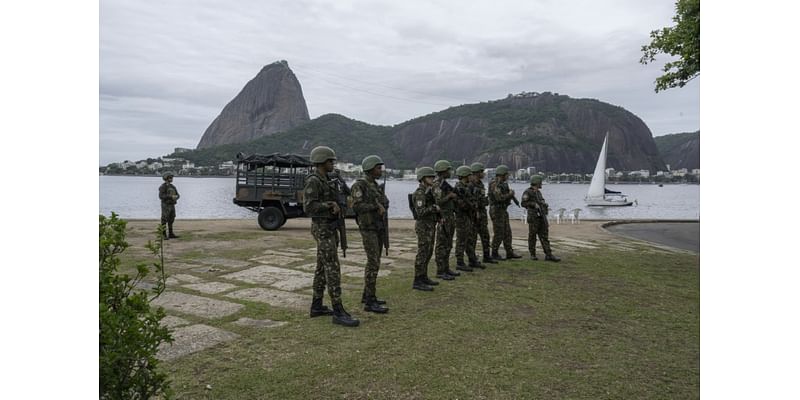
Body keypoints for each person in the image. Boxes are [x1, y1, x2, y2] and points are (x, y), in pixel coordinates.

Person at [304, 146, 359, 327]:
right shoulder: (314, 181)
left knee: (322, 267)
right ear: (321, 162)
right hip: (322, 228)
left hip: (329, 227)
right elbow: (309, 207)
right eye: (330, 161)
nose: (332, 164)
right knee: (332, 267)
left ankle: (317, 305)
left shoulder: (327, 179)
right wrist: (330, 205)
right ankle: (338, 310)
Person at [351, 155, 389, 313]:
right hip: (368, 228)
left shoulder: (375, 185)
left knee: (376, 261)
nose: (381, 170)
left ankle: (367, 295)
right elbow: (357, 206)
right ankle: (370, 302)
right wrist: (375, 206)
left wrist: (382, 204)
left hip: (378, 227)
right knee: (373, 263)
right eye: (378, 168)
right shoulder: (360, 185)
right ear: (370, 168)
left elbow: (385, 202)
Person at [411, 167, 441, 291]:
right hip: (423, 226)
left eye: (433, 177)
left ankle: (423, 276)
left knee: (428, 252)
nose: (432, 179)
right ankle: (417, 280)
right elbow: (420, 212)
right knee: (423, 252)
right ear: (423, 179)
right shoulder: (420, 193)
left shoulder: (429, 192)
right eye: (430, 177)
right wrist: (434, 208)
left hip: (430, 225)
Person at [432, 160, 463, 278]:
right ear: (443, 170)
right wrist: (450, 196)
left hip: (449, 216)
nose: (450, 172)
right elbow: (438, 201)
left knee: (448, 243)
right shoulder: (437, 184)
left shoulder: (444, 183)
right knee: (441, 244)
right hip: (443, 218)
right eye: (448, 169)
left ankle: (446, 268)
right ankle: (440, 271)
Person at [521, 175, 561, 262]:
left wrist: (544, 204)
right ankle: (532, 254)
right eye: (540, 182)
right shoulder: (528, 192)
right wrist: (532, 204)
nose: (541, 184)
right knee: (532, 236)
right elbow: (523, 203)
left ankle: (548, 254)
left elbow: (541, 201)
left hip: (541, 217)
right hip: (533, 217)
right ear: (537, 182)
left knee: (544, 236)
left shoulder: (538, 193)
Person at [488, 165, 522, 260]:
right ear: (502, 174)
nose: (508, 176)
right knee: (499, 232)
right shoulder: (494, 184)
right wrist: (510, 194)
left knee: (507, 232)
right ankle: (494, 253)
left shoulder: (504, 183)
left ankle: (509, 252)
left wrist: (510, 195)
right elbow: (499, 198)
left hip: (503, 210)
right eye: (507, 174)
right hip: (496, 211)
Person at [454, 165, 483, 270]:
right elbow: (459, 204)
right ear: (465, 175)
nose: (472, 176)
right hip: (461, 217)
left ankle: (472, 260)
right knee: (461, 240)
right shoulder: (458, 188)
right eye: (470, 175)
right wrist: (469, 205)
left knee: (469, 239)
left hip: (469, 217)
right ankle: (460, 262)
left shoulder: (466, 187)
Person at [470, 162, 497, 265]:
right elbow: (471, 200)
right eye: (482, 171)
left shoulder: (480, 184)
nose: (484, 173)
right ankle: (472, 259)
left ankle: (487, 256)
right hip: (474, 214)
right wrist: (476, 210)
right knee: (472, 237)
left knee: (485, 236)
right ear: (477, 173)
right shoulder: (470, 185)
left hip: (482, 213)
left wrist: (485, 201)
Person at [158, 171, 180, 240]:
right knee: (164, 219)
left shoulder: (173, 186)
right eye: (170, 177)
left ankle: (171, 234)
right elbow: (161, 196)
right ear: (166, 178)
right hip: (165, 205)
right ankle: (163, 234)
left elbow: (178, 194)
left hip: (172, 205)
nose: (172, 179)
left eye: (172, 177)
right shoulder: (163, 186)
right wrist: (170, 197)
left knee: (171, 219)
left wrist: (176, 197)